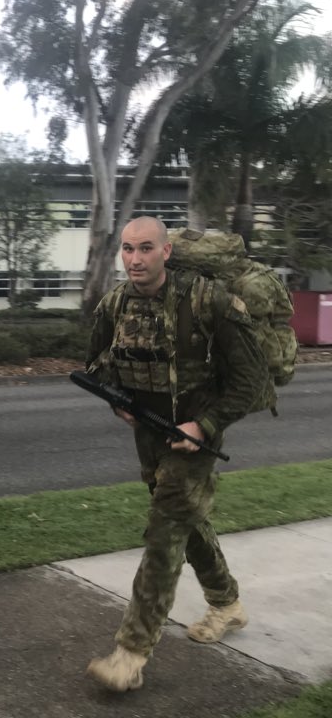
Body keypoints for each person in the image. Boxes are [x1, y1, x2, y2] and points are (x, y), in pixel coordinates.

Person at [84, 216, 267, 692]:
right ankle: (226, 603)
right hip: (150, 433)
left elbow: (251, 380)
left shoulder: (209, 301)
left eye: (146, 248)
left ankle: (130, 653)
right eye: (128, 249)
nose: (135, 259)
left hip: (198, 433)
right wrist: (117, 401)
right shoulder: (114, 304)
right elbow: (97, 363)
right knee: (185, 516)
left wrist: (204, 425)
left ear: (166, 252)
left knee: (165, 529)